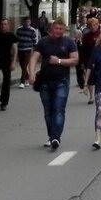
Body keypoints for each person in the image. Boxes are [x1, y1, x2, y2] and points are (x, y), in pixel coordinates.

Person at [28, 20, 80, 149]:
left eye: (61, 29)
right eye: (56, 28)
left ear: (64, 30)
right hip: (45, 81)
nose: (58, 31)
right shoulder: (43, 42)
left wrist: (59, 61)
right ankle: (51, 135)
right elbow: (34, 57)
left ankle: (55, 137)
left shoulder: (69, 42)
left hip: (61, 81)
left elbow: (75, 60)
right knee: (48, 112)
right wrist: (31, 72)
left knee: (58, 109)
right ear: (52, 29)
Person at [15, 17, 39, 87]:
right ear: (23, 22)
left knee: (25, 65)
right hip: (20, 50)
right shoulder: (19, 30)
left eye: (28, 21)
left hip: (28, 50)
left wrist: (34, 52)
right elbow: (16, 40)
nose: (27, 23)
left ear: (30, 22)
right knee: (22, 66)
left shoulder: (32, 30)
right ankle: (27, 77)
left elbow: (35, 42)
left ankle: (22, 82)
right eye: (25, 21)